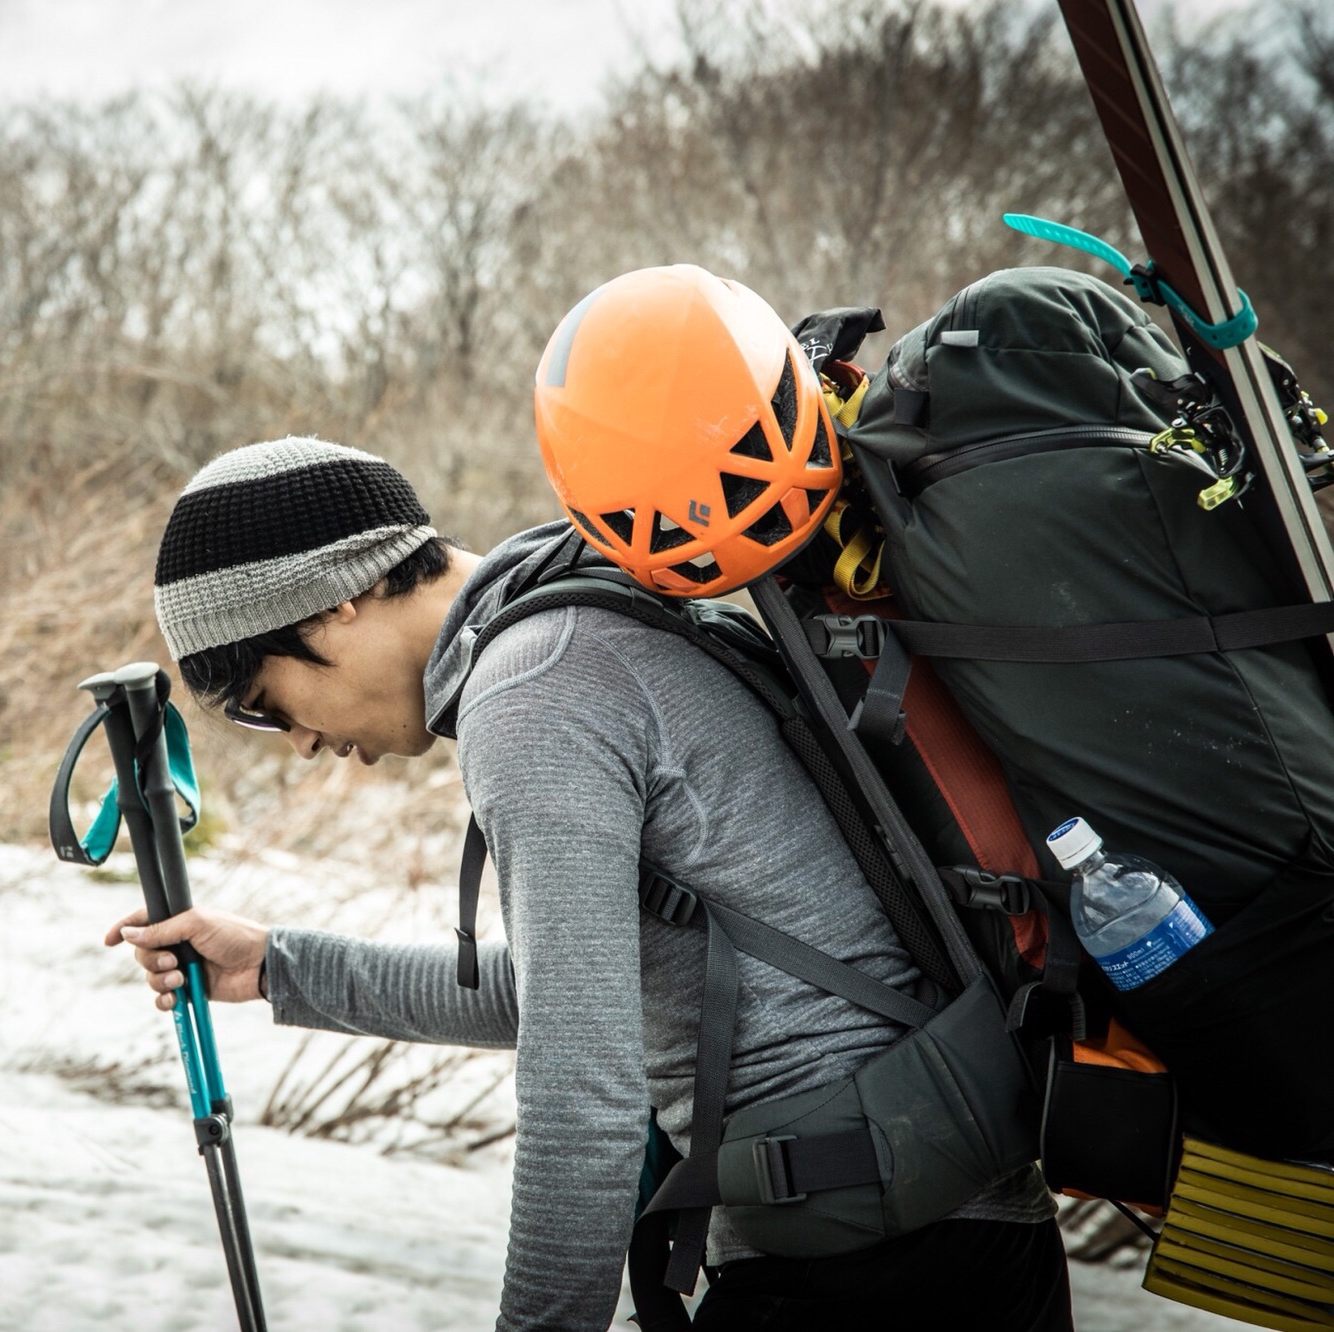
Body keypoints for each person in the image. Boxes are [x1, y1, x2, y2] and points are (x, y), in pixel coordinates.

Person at [104, 269, 1071, 1331]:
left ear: (332, 603)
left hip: (867, 1261)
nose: (294, 741)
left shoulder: (531, 697)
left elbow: (582, 1101)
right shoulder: (578, 618)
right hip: (936, 1215)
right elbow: (579, 1004)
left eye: (260, 702)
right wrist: (278, 968)